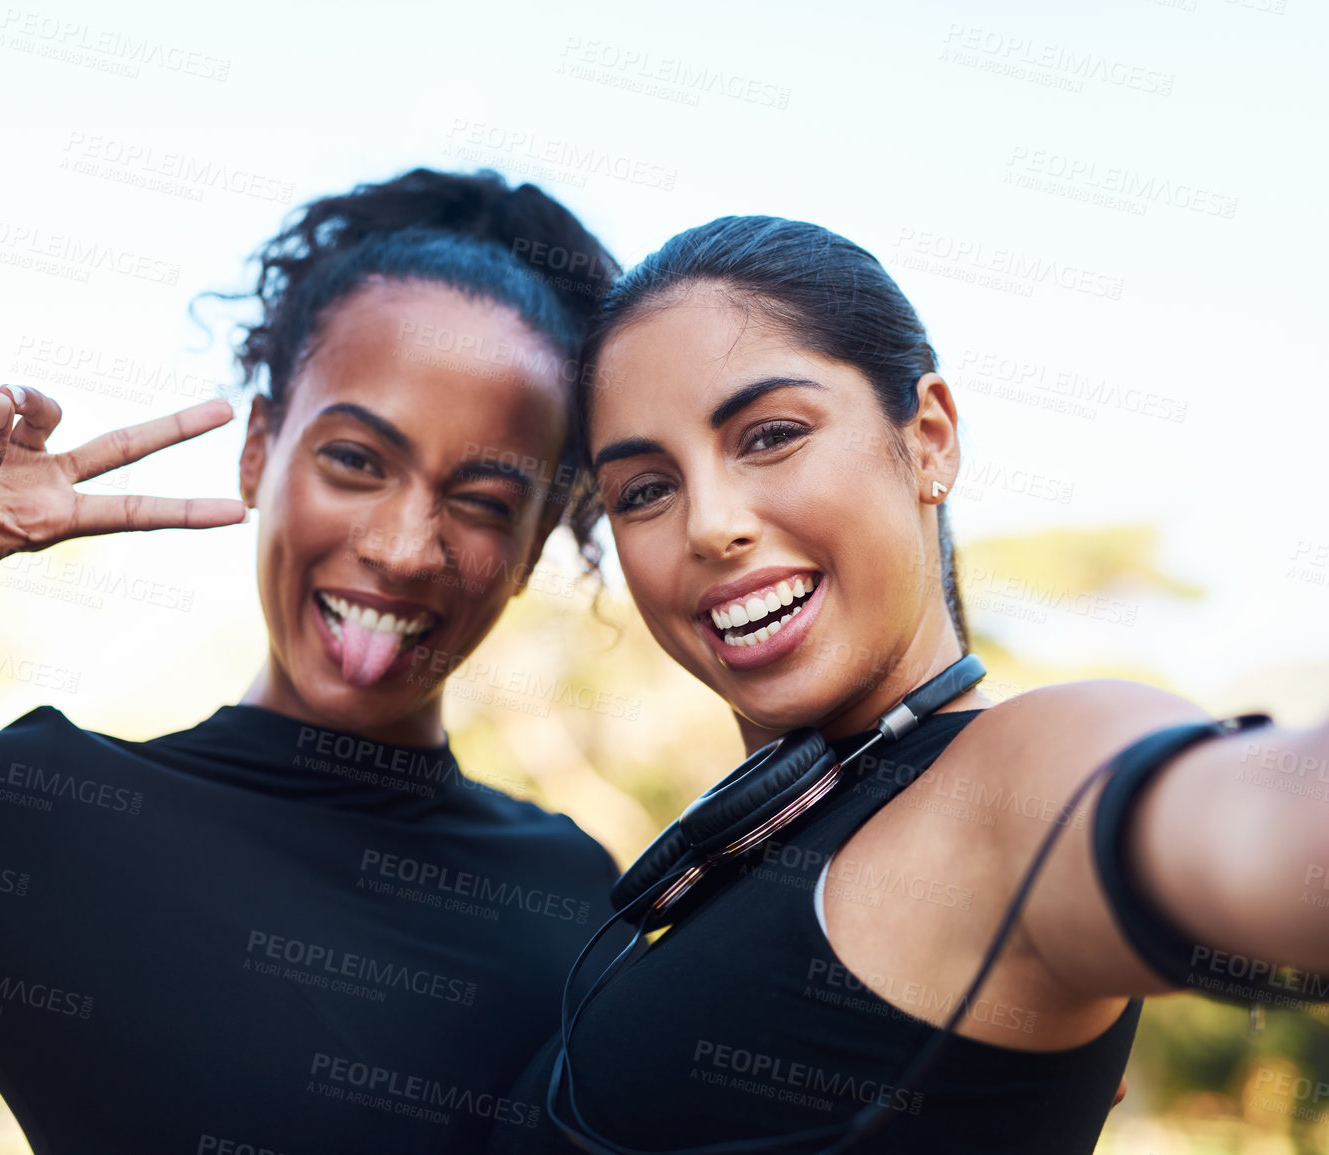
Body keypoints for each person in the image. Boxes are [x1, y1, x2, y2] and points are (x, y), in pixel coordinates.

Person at [0, 168, 624, 1155]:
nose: (405, 547)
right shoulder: (31, 819)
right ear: (261, 445)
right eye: (356, 461)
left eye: (485, 500)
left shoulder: (576, 882)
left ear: (537, 539)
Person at [487, 215, 1329, 1154]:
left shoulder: (1016, 777)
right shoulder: (742, 850)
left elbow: (1263, 826)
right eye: (643, 488)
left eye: (769, 435)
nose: (709, 524)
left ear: (928, 439)